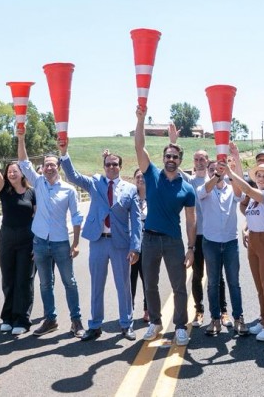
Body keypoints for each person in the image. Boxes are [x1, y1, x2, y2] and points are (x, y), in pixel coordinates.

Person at [59, 142, 141, 341]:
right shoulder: (95, 182)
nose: (111, 167)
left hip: (120, 244)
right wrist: (64, 153)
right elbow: (72, 176)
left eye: (115, 164)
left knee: (123, 286)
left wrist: (135, 247)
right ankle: (95, 325)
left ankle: (126, 324)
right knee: (96, 285)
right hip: (98, 241)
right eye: (108, 164)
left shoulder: (130, 189)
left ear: (120, 167)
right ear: (104, 167)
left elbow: (136, 220)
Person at [134, 105, 196, 346]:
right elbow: (139, 146)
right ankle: (156, 322)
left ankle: (180, 326)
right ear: (163, 159)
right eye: (167, 156)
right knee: (150, 283)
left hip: (172, 242)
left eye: (175, 157)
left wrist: (191, 248)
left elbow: (191, 220)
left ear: (180, 160)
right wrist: (140, 120)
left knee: (179, 285)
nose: (170, 159)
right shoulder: (151, 174)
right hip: (149, 239)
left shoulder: (187, 188)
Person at [17, 128, 85, 338]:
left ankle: (76, 321)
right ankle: (50, 319)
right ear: (43, 168)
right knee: (45, 283)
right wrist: (21, 138)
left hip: (60, 243)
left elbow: (76, 217)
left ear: (59, 168)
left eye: (52, 165)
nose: (48, 168)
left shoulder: (69, 190)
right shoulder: (38, 183)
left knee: (69, 282)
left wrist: (76, 243)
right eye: (46, 165)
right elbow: (23, 163)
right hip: (40, 242)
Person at [227, 155, 264, 342]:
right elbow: (245, 199)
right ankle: (263, 318)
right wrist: (247, 226)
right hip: (254, 241)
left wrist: (230, 172)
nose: (261, 178)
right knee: (260, 286)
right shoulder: (253, 197)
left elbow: (246, 188)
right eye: (258, 175)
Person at [0, 142, 36, 336]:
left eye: (15, 171)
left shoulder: (32, 193)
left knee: (24, 280)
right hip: (6, 238)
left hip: (27, 239)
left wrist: (36, 243)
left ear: (23, 173)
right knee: (8, 279)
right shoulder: (3, 190)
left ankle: (22, 318)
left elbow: (37, 218)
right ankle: (7, 317)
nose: (12, 174)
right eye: (9, 171)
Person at [198, 157, 247, 336]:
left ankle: (238, 318)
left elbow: (240, 195)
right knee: (213, 283)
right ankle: (215, 319)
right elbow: (205, 190)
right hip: (210, 243)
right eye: (212, 170)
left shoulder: (230, 188)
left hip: (230, 242)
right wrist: (217, 174)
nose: (215, 172)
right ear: (209, 172)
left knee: (234, 282)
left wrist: (231, 172)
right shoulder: (203, 189)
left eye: (218, 169)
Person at [188, 149, 229, 328]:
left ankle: (223, 311)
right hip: (196, 236)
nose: (199, 161)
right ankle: (199, 311)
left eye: (202, 158)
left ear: (207, 161)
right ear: (194, 161)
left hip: (214, 236)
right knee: (197, 275)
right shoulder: (189, 181)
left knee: (218, 277)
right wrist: (173, 141)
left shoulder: (217, 179)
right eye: (196, 159)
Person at [130, 168, 148, 323]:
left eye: (143, 176)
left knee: (147, 278)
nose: (140, 179)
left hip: (148, 244)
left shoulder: (153, 198)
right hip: (131, 244)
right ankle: (129, 309)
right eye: (138, 177)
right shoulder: (130, 197)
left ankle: (148, 309)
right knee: (130, 278)